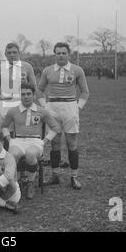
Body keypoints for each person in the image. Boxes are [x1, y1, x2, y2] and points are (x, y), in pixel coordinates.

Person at [37, 42, 89, 190]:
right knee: (54, 143)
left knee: (72, 143)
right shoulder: (48, 70)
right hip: (52, 107)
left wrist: (78, 107)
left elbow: (85, 91)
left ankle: (74, 177)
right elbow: (39, 90)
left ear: (68, 54)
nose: (60, 55)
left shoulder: (77, 70)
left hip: (70, 107)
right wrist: (44, 106)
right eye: (58, 53)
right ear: (55, 54)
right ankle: (55, 176)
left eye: (63, 53)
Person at [2, 83, 61, 199]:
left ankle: (30, 182)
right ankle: (13, 184)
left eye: (29, 94)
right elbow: (4, 126)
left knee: (30, 154)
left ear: (33, 96)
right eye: (23, 94)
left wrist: (44, 141)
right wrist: (9, 139)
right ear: (20, 96)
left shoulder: (42, 111)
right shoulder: (13, 111)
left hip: (35, 141)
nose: (26, 96)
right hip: (18, 140)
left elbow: (56, 128)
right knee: (12, 155)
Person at [0, 42, 37, 118]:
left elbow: (33, 86)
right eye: (9, 53)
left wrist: (30, 101)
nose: (12, 55)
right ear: (5, 54)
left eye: (14, 52)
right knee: (6, 128)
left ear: (19, 53)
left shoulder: (27, 66)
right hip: (5, 104)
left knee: (21, 127)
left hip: (22, 102)